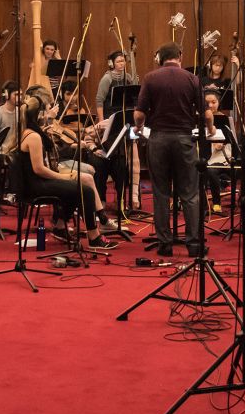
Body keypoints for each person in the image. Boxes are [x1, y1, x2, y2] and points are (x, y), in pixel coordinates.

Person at [15, 95, 117, 250]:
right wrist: (62, 176)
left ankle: (62, 227)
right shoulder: (33, 136)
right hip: (36, 186)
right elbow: (39, 169)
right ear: (41, 114)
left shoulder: (33, 132)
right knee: (86, 191)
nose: (51, 113)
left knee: (76, 188)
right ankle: (94, 237)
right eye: (48, 110)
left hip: (38, 182)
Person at [135, 43, 208, 258]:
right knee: (190, 194)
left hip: (158, 139)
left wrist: (139, 128)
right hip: (185, 140)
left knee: (160, 193)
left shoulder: (150, 78)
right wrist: (210, 129)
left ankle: (164, 244)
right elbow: (206, 113)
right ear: (180, 56)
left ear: (160, 59)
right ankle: (194, 245)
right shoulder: (192, 79)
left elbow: (139, 115)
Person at [95, 50, 138, 120]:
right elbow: (99, 100)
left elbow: (134, 96)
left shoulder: (128, 77)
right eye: (118, 62)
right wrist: (101, 120)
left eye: (123, 61)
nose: (122, 64)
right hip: (110, 115)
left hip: (124, 114)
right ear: (112, 64)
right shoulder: (107, 78)